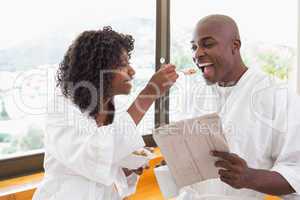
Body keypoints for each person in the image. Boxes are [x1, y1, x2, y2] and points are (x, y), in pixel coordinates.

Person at [32, 26, 178, 200]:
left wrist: (125, 170)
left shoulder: (111, 109)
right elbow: (91, 154)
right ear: (98, 69)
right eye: (123, 65)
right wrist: (148, 95)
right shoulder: (61, 109)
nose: (132, 71)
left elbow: (101, 174)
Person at [174, 15, 300, 200]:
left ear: (235, 45)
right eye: (194, 47)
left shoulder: (277, 95)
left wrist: (250, 177)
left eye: (207, 44)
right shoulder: (193, 94)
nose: (197, 53)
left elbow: (296, 171)